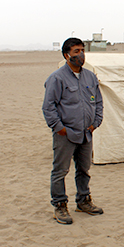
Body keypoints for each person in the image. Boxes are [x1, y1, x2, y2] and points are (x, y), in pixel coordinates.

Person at [42, 37, 104, 225]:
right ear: (66, 55)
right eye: (76, 51)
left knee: (84, 169)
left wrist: (96, 122)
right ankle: (60, 205)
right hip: (66, 134)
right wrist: (59, 128)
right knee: (60, 171)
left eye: (82, 50)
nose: (81, 55)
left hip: (86, 132)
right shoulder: (56, 78)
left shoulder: (90, 76)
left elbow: (98, 101)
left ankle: (83, 201)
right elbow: (48, 106)